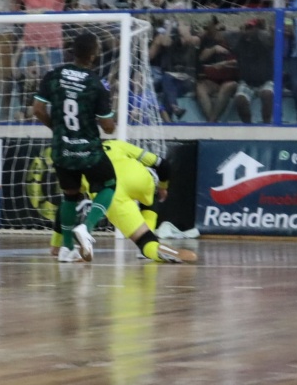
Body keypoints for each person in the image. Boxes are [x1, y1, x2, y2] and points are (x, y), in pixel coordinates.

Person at [33, 31, 116, 262]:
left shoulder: (53, 75)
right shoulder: (96, 83)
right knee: (109, 185)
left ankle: (67, 248)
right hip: (88, 150)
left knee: (70, 195)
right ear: (93, 55)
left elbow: (37, 110)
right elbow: (108, 127)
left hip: (62, 148)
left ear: (73, 52)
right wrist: (110, 122)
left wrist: (57, 129)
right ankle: (87, 228)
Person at [50, 140, 197, 264]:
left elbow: (66, 205)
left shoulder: (78, 160)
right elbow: (163, 165)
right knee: (152, 194)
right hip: (138, 178)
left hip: (111, 194)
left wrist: (56, 244)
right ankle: (151, 235)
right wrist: (163, 187)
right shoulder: (116, 144)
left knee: (144, 240)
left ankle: (152, 246)